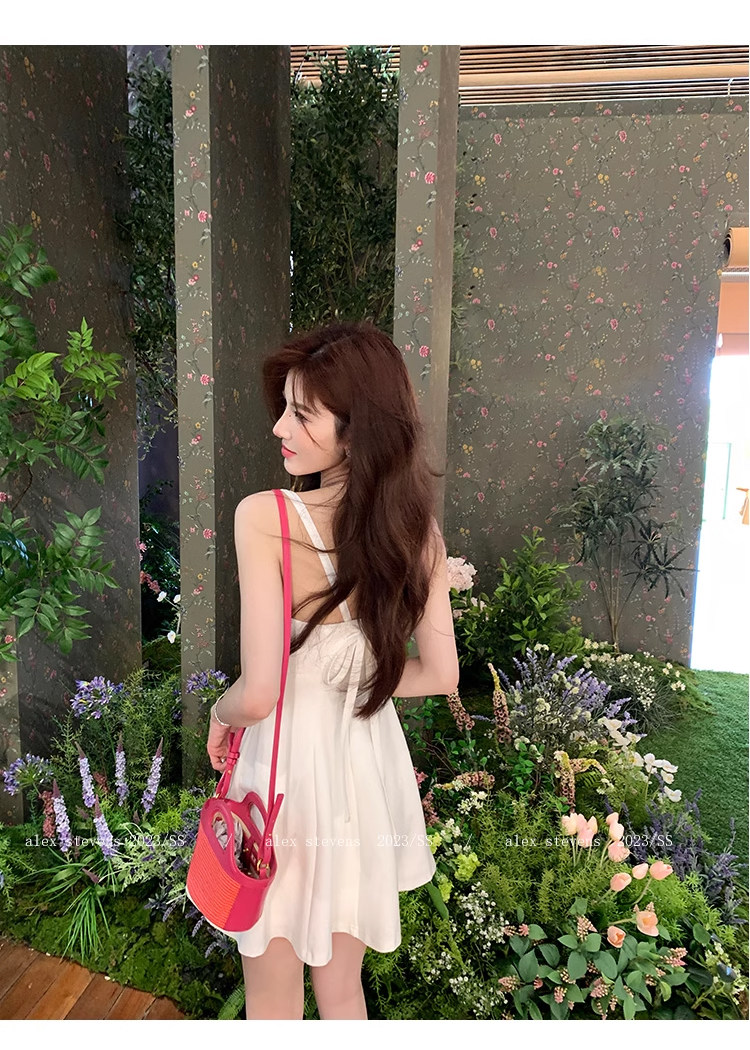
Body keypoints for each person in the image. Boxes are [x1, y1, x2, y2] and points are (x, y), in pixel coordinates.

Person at [201, 322, 459, 1020]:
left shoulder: (264, 517)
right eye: (284, 408)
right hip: (363, 780)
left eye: (302, 413)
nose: (279, 427)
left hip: (282, 783)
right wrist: (356, 675)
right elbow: (441, 674)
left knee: (272, 996)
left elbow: (259, 693)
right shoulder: (417, 531)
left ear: (355, 432)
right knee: (343, 991)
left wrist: (219, 715)